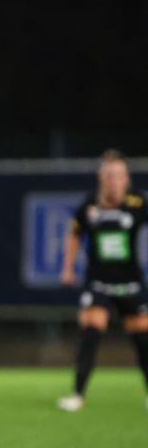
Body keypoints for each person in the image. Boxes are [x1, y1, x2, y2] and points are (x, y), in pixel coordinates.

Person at [58, 150, 148, 412]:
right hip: (98, 282)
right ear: (101, 178)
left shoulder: (138, 202)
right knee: (91, 332)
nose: (115, 180)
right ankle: (77, 395)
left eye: (120, 175)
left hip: (131, 283)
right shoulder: (89, 205)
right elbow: (74, 236)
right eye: (110, 175)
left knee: (143, 340)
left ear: (127, 179)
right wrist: (67, 268)